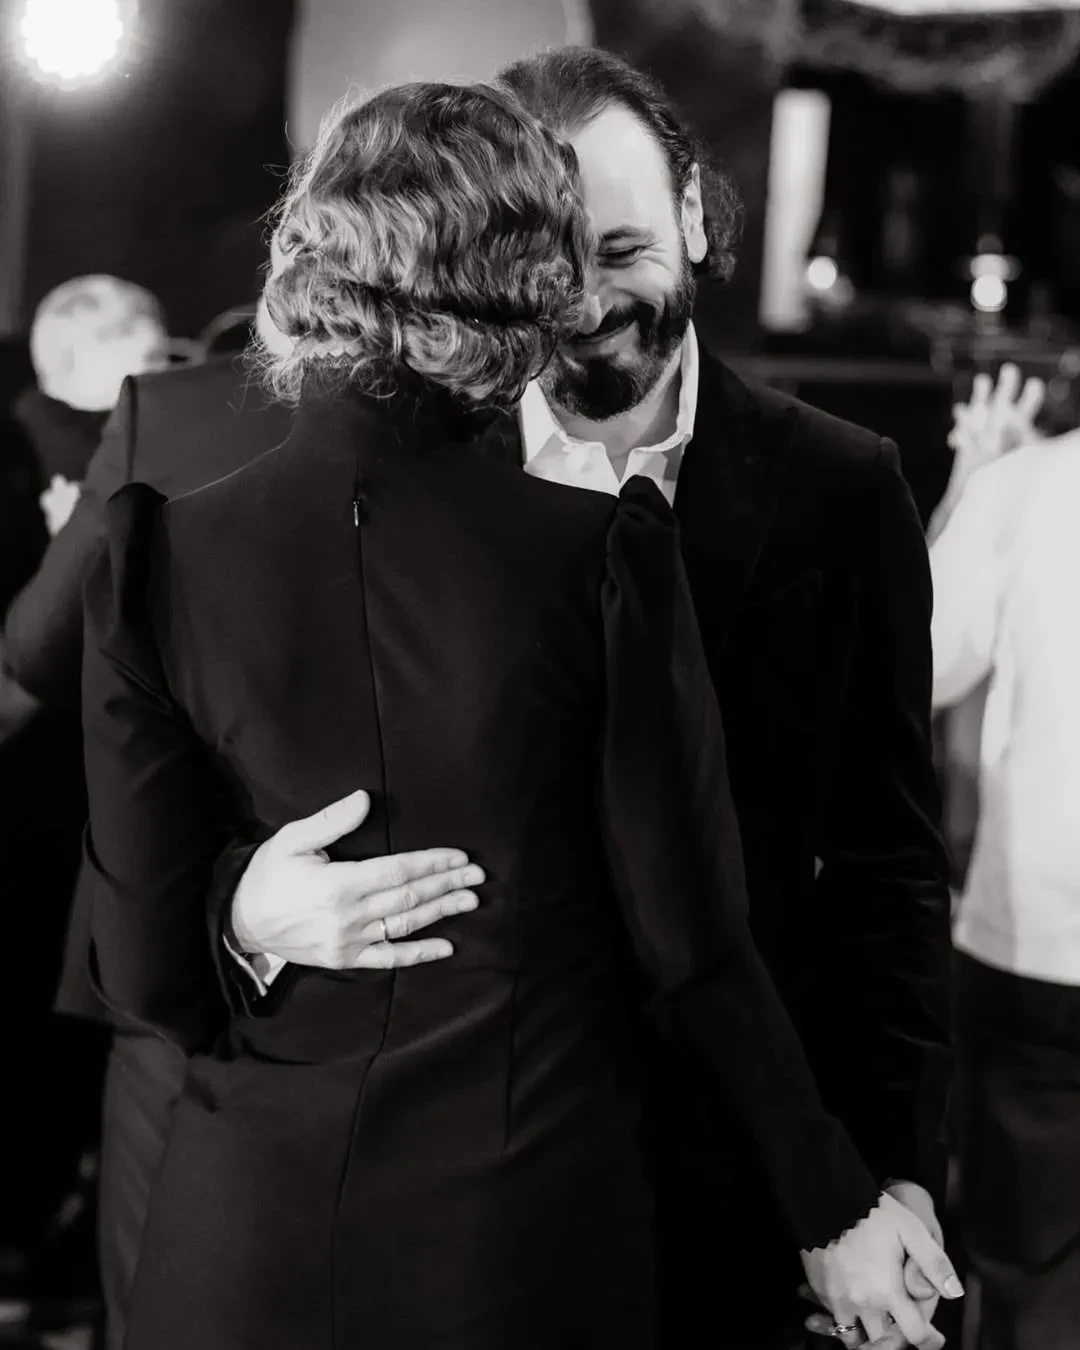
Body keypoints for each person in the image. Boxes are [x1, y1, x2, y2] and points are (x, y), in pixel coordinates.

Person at [82, 82, 957, 1350]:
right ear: (519, 279)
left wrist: (235, 916)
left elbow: (147, 978)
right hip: (511, 1246)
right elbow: (692, 947)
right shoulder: (600, 555)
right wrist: (833, 1203)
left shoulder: (156, 553)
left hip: (234, 1250)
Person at [930, 364, 1080, 1350]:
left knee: (1027, 1280)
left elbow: (910, 662)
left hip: (1038, 951)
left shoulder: (1031, 489)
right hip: (1032, 957)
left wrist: (972, 487)